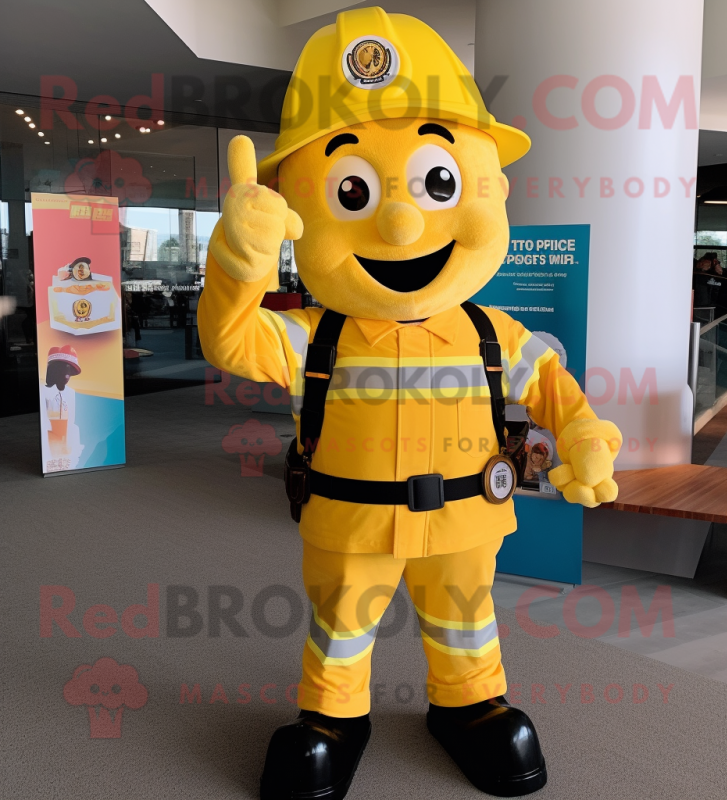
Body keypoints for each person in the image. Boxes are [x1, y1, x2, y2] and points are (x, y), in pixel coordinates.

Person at [198, 9, 622, 799]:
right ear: (298, 203)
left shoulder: (494, 333)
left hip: (467, 521)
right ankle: (333, 718)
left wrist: (588, 439)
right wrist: (236, 270)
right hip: (351, 519)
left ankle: (469, 706)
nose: (400, 220)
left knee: (467, 619)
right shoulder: (313, 337)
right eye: (352, 191)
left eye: (438, 184)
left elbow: (558, 394)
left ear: (490, 186)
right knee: (341, 625)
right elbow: (230, 341)